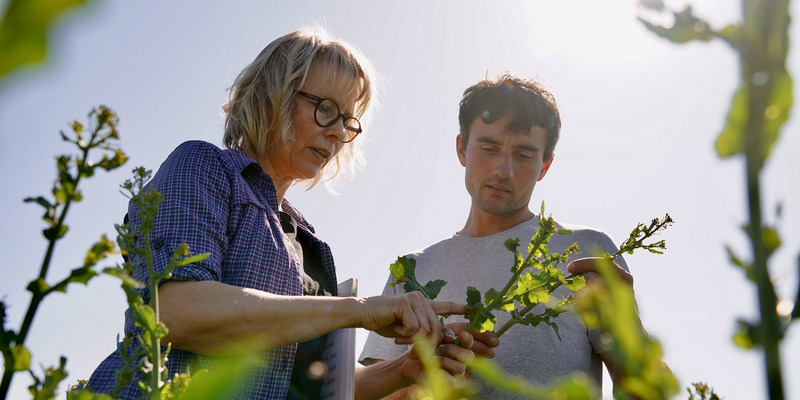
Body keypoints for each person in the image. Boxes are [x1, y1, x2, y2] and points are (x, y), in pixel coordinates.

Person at [86, 26, 474, 400]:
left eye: (347, 122)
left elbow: (316, 380)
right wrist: (357, 310)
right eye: (326, 109)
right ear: (270, 96)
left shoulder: (309, 240)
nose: (338, 133)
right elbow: (174, 311)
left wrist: (405, 370)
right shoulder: (205, 166)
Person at [359, 74, 642, 398]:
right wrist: (429, 376)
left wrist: (631, 330)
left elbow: (642, 389)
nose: (502, 170)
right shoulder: (410, 272)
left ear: (545, 164)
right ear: (461, 149)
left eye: (523, 154)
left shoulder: (585, 253)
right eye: (489, 147)